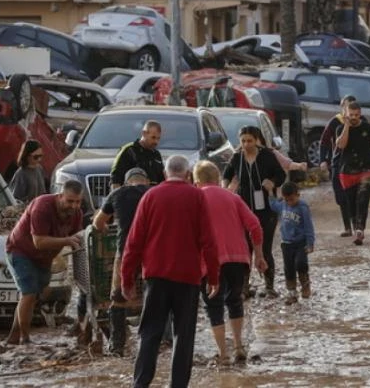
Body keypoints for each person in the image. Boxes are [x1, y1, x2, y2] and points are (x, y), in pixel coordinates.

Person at [122, 155, 219, 388]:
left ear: (165, 174)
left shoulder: (150, 196)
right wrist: (214, 276)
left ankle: (140, 383)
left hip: (156, 276)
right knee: (183, 336)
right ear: (187, 175)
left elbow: (133, 242)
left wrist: (126, 279)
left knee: (150, 333)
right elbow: (209, 241)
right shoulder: (196, 196)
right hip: (188, 277)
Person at [192, 161, 265, 365]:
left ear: (197, 182)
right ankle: (239, 346)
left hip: (209, 263)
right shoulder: (233, 198)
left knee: (213, 306)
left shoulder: (196, 199)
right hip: (238, 260)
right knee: (235, 301)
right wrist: (259, 255)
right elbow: (255, 226)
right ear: (217, 179)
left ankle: (223, 353)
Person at [4, 181, 83, 345]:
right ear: (60, 196)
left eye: (77, 202)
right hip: (20, 250)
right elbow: (38, 242)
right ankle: (25, 340)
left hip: (44, 258)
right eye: (69, 201)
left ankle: (12, 337)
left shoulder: (77, 213)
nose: (73, 206)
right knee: (29, 292)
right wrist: (67, 240)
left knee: (35, 294)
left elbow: (78, 238)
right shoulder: (42, 206)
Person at [93, 167, 154, 356]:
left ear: (127, 182)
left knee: (118, 298)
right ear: (146, 181)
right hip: (152, 252)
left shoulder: (117, 193)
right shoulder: (154, 193)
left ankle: (117, 345)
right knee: (154, 295)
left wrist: (105, 228)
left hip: (126, 250)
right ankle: (157, 341)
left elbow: (97, 223)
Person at [222, 125, 286, 297]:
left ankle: (269, 286)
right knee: (245, 249)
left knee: (265, 247)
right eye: (243, 141)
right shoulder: (237, 157)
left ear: (257, 140)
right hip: (243, 208)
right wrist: (226, 188)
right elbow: (226, 174)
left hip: (266, 208)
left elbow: (281, 175)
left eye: (250, 141)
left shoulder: (267, 156)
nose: (246, 144)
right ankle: (244, 286)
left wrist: (272, 182)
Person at [335, 101, 370, 246]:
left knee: (362, 200)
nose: (354, 117)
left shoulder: (369, 128)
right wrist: (346, 126)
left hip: (367, 169)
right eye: (351, 115)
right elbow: (341, 145)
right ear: (346, 114)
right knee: (351, 203)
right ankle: (356, 226)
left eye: (357, 115)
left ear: (360, 113)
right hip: (347, 171)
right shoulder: (340, 128)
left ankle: (359, 230)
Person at [267, 181, 315, 305]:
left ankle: (305, 285)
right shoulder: (282, 205)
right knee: (288, 268)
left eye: (292, 199)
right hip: (286, 244)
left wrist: (310, 243)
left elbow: (309, 226)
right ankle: (292, 293)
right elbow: (273, 204)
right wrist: (269, 192)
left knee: (301, 263)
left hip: (300, 243)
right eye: (287, 200)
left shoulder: (303, 207)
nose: (289, 202)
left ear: (298, 195)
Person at [319, 95, 358, 236]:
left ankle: (355, 226)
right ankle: (347, 226)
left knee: (354, 196)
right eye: (346, 107)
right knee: (341, 197)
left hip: (355, 164)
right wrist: (323, 160)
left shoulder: (361, 122)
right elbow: (323, 141)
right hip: (338, 163)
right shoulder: (335, 122)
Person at [110, 121, 165, 190]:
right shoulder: (129, 150)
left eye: (158, 138)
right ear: (144, 133)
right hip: (131, 196)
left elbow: (162, 180)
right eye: (153, 137)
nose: (156, 142)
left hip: (152, 196)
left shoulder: (156, 154)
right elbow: (115, 178)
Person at [8, 139, 46, 204]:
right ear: (26, 155)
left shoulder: (39, 169)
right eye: (36, 157)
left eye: (41, 156)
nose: (39, 159)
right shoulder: (21, 174)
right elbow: (16, 199)